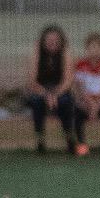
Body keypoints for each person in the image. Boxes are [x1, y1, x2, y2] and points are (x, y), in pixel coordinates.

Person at [26, 25, 76, 154]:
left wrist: (55, 94)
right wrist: (46, 94)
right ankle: (40, 138)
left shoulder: (65, 52)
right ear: (43, 41)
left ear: (61, 41)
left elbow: (68, 81)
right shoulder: (37, 52)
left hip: (60, 90)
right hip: (40, 90)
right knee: (36, 101)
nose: (52, 43)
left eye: (56, 40)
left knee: (65, 101)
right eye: (49, 40)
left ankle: (69, 136)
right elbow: (32, 81)